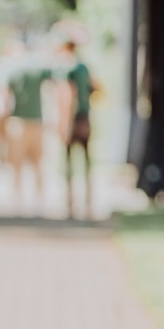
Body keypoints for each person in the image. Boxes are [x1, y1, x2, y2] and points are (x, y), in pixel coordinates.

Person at [2, 48, 52, 213]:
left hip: (17, 123)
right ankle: (40, 201)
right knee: (38, 163)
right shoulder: (38, 71)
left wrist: (2, 123)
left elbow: (6, 99)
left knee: (16, 165)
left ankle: (17, 201)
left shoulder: (12, 72)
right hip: (36, 122)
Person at [59, 39, 94, 219]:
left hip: (73, 120)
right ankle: (89, 201)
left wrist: (64, 124)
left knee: (69, 163)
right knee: (87, 162)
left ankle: (70, 203)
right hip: (86, 118)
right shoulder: (83, 68)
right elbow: (93, 87)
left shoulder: (69, 69)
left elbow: (68, 96)